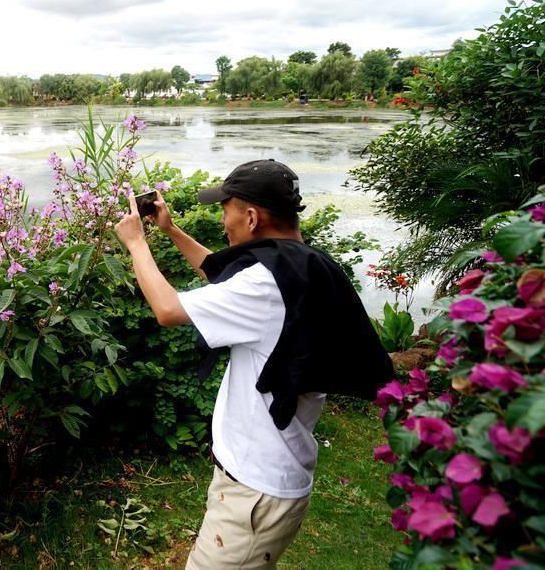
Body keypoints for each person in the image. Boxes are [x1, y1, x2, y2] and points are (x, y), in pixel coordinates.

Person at [114, 159, 393, 569]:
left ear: (250, 216)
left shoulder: (265, 284)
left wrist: (137, 243)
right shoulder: (301, 264)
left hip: (255, 491)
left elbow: (168, 309)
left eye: (225, 210)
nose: (223, 220)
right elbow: (223, 276)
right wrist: (170, 231)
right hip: (268, 475)